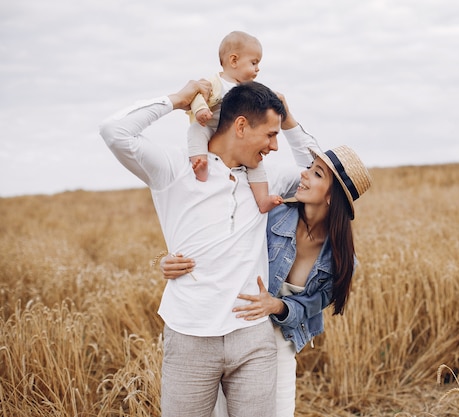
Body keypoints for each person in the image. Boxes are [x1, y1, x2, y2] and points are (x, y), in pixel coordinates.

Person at [99, 79, 318, 417]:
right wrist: (177, 99)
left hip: (252, 338)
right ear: (241, 126)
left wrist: (287, 119)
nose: (275, 147)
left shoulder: (267, 178)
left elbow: (319, 171)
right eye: (271, 135)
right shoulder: (175, 169)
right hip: (190, 336)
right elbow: (114, 131)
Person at [161, 105, 373, 416]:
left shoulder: (341, 260)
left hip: (280, 343)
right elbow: (217, 240)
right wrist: (165, 259)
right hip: (233, 330)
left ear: (331, 197)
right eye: (310, 168)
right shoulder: (272, 214)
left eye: (316, 174)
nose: (304, 173)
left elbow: (313, 305)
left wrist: (278, 306)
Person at [188, 30, 282, 213]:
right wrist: (200, 110)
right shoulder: (213, 82)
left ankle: (262, 199)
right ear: (233, 60)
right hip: (210, 123)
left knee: (255, 163)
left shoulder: (247, 90)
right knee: (195, 132)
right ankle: (200, 164)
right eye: (254, 63)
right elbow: (197, 96)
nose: (258, 68)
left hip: (236, 135)